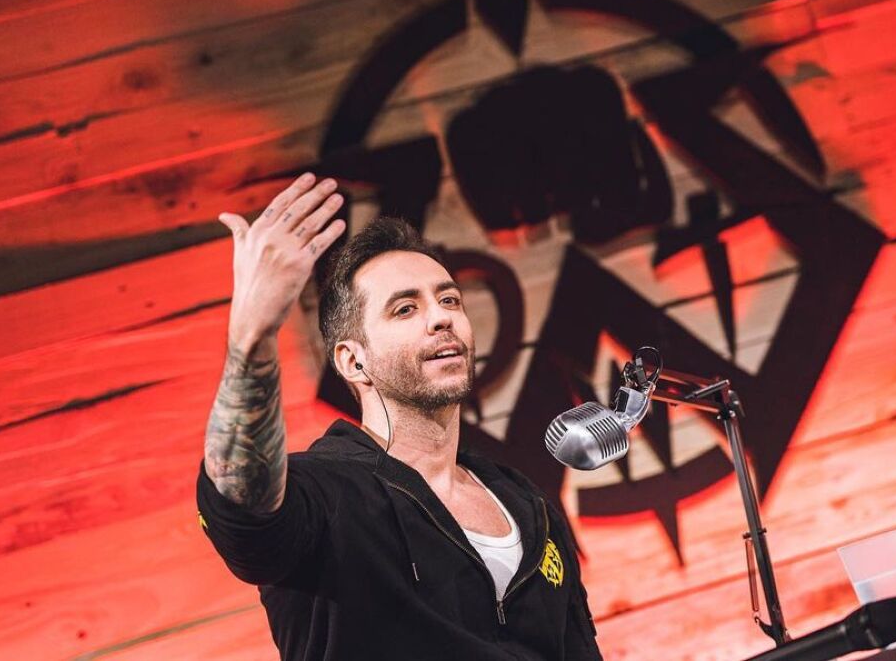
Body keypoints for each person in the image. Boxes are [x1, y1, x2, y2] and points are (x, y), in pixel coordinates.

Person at [197, 173, 603, 660]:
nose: (441, 317)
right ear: (353, 361)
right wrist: (252, 335)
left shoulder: (524, 501)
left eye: (449, 299)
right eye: (405, 309)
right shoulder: (322, 494)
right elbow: (241, 499)